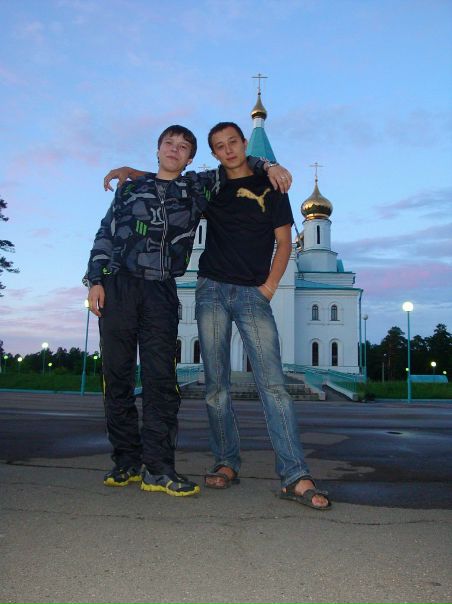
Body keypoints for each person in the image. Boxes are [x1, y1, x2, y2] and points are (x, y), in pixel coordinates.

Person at [103, 123, 331, 510]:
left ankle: (295, 474)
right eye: (219, 146)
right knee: (216, 387)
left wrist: (268, 288)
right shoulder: (209, 187)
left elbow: (283, 243)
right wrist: (133, 172)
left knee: (273, 385)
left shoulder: (272, 185)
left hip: (252, 293)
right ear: (212, 154)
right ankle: (226, 461)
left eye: (233, 143)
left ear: (244, 144)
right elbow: (170, 177)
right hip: (210, 289)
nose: (228, 150)